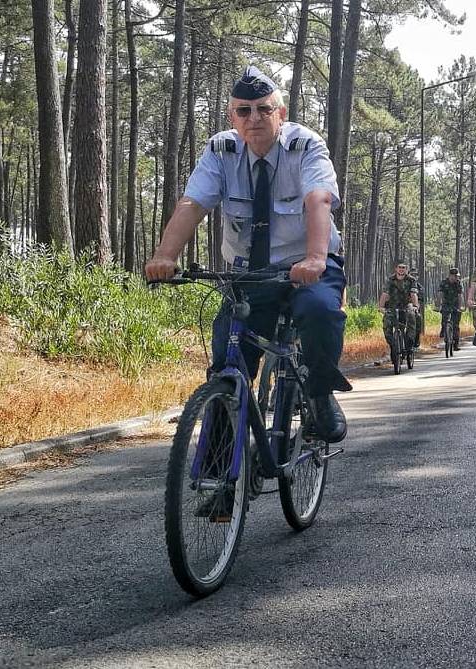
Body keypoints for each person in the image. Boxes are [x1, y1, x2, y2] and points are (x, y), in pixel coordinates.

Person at [144, 65, 349, 443]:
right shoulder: (221, 151)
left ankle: (320, 394)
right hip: (250, 275)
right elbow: (193, 203)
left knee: (319, 312)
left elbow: (318, 198)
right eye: (244, 110)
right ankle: (215, 480)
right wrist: (164, 256)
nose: (254, 118)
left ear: (281, 113)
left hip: (307, 268)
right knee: (227, 363)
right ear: (232, 116)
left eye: (264, 109)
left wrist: (316, 258)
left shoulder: (305, 146)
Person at [378, 261, 419, 351]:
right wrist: (381, 306)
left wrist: (415, 306)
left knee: (413, 316)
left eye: (403, 267)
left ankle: (410, 343)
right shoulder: (390, 280)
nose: (401, 269)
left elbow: (413, 293)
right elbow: (385, 293)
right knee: (386, 323)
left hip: (406, 305)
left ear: (406, 269)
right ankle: (393, 345)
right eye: (399, 267)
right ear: (396, 269)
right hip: (393, 305)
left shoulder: (411, 280)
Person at [436, 268, 464, 350]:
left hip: (456, 305)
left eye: (457, 276)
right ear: (450, 275)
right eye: (454, 276)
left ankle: (456, 344)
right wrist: (437, 305)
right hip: (446, 304)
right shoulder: (444, 282)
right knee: (444, 319)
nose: (455, 278)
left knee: (456, 325)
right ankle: (444, 330)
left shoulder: (459, 283)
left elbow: (460, 296)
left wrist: (461, 306)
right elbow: (440, 294)